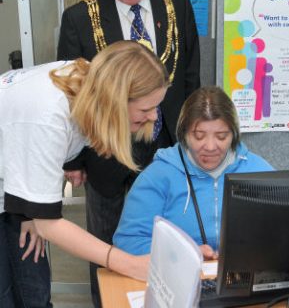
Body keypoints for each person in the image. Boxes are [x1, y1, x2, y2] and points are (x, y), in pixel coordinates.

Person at [57, 0, 200, 306]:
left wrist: (192, 138)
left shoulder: (178, 3)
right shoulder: (80, 17)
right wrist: (72, 161)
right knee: (105, 241)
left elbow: (189, 75)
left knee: (168, 236)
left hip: (166, 142)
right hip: (104, 149)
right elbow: (71, 92)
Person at [0, 40, 169, 307]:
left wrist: (31, 204)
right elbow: (49, 224)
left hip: (10, 179)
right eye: (146, 109)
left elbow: (39, 157)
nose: (153, 117)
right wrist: (127, 263)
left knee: (33, 292)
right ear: (116, 99)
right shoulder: (47, 115)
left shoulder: (94, 81)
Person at [113, 86, 274, 256]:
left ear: (234, 135)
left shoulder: (259, 172)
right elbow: (128, 242)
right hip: (176, 278)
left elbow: (288, 232)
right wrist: (184, 253)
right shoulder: (158, 176)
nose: (210, 147)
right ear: (184, 135)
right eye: (199, 136)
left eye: (221, 136)